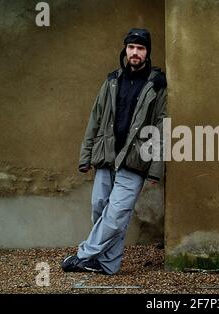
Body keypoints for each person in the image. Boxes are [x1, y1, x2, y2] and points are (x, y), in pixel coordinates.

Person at [61, 28, 167, 275]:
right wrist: (85, 156)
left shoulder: (157, 85)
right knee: (100, 206)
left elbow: (163, 127)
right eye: (131, 47)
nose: (135, 53)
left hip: (135, 158)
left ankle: (84, 254)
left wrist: (155, 169)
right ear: (125, 50)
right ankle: (108, 264)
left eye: (140, 48)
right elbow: (95, 120)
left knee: (117, 213)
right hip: (106, 156)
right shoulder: (111, 81)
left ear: (147, 52)